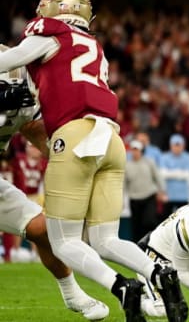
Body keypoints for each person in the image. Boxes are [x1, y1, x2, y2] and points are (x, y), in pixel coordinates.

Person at [0, 0, 188, 322]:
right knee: (106, 239)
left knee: (64, 241)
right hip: (111, 139)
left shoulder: (48, 37)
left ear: (49, 8)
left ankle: (121, 287)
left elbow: (9, 60)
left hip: (73, 137)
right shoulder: (92, 45)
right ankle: (160, 274)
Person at [0, 50, 109, 319]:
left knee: (45, 230)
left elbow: (43, 140)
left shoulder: (21, 102)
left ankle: (72, 294)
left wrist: (78, 159)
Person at [125, 139, 167, 242]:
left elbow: (157, 177)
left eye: (137, 150)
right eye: (133, 150)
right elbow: (124, 183)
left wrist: (162, 191)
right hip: (134, 198)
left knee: (149, 221)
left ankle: (152, 242)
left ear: (141, 151)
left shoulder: (149, 162)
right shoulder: (126, 165)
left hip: (149, 196)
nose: (135, 152)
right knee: (136, 225)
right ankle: (138, 247)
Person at [160, 134, 189, 221]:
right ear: (171, 146)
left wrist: (171, 173)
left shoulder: (188, 157)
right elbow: (163, 174)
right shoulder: (164, 157)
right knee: (166, 221)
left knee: (184, 220)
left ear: (183, 146)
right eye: (175, 145)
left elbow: (188, 175)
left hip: (183, 196)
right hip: (168, 196)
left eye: (179, 145)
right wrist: (179, 173)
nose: (177, 148)